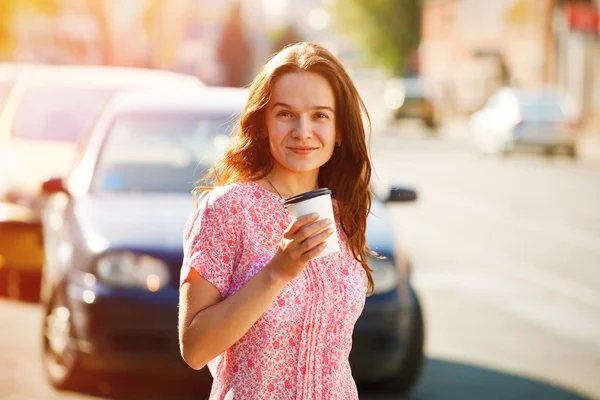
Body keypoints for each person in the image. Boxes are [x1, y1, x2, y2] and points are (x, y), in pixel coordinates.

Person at [178, 42, 375, 399]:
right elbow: (194, 349)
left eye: (320, 115)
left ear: (340, 129)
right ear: (263, 122)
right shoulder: (228, 210)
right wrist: (277, 272)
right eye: (286, 114)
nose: (303, 131)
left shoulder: (342, 210)